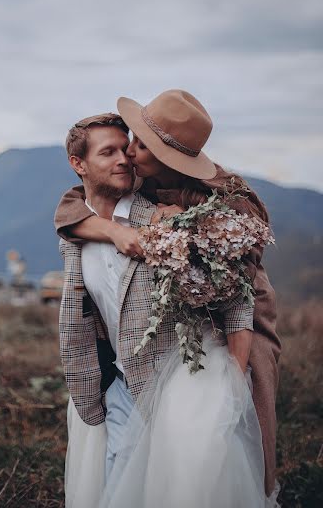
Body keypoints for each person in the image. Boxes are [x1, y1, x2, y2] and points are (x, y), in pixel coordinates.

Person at [56, 92, 281, 507]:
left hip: (209, 358)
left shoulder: (204, 209)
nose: (127, 156)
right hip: (125, 377)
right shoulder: (98, 212)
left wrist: (231, 380)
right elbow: (71, 209)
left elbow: (239, 300)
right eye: (116, 150)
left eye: (134, 148)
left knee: (209, 473)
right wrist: (113, 231)